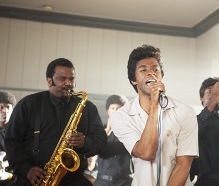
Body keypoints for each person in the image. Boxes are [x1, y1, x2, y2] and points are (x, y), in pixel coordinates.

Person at [4, 58, 107, 186]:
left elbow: (101, 140)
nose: (69, 83)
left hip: (73, 180)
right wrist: (26, 169)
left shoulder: (87, 107)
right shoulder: (28, 104)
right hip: (35, 179)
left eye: (72, 79)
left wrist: (85, 142)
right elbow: (12, 140)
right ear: (49, 81)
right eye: (62, 79)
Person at [110, 44, 198, 186]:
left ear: (161, 76)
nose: (151, 73)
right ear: (133, 79)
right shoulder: (121, 117)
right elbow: (146, 153)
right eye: (143, 70)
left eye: (155, 69)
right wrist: (154, 106)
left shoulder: (184, 111)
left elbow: (184, 165)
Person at [94, 94, 134, 186]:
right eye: (112, 108)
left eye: (118, 109)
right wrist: (107, 130)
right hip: (102, 181)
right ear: (108, 110)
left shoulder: (131, 130)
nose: (115, 112)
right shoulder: (100, 130)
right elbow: (94, 149)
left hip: (124, 182)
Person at [0, 91, 17, 186]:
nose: (4, 111)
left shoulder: (18, 132)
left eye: (8, 107)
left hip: (11, 177)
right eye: (1, 107)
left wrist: (4, 165)